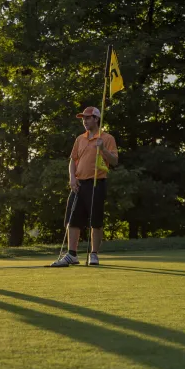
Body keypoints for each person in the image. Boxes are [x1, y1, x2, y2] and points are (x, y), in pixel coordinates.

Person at [51, 106, 118, 267]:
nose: (85, 121)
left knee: (96, 220)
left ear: (96, 119)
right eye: (83, 118)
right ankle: (72, 254)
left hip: (97, 182)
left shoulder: (107, 138)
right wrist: (72, 179)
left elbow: (114, 161)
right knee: (72, 219)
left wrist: (102, 149)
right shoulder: (80, 139)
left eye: (87, 118)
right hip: (79, 183)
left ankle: (94, 254)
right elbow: (72, 161)